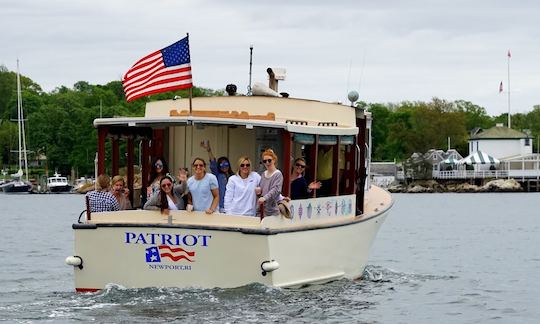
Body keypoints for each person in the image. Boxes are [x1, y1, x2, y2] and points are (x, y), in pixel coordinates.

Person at [201, 140, 233, 213]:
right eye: (221, 165)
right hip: (221, 206)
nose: (224, 167)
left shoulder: (233, 176)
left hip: (232, 206)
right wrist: (208, 150)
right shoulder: (218, 175)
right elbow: (213, 163)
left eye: (226, 164)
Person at [257, 149, 283, 216]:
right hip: (262, 210)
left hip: (272, 211)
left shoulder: (278, 174)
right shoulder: (263, 174)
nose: (267, 163)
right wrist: (258, 192)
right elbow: (261, 192)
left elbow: (276, 190)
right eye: (265, 161)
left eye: (269, 160)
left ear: (274, 160)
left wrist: (265, 198)